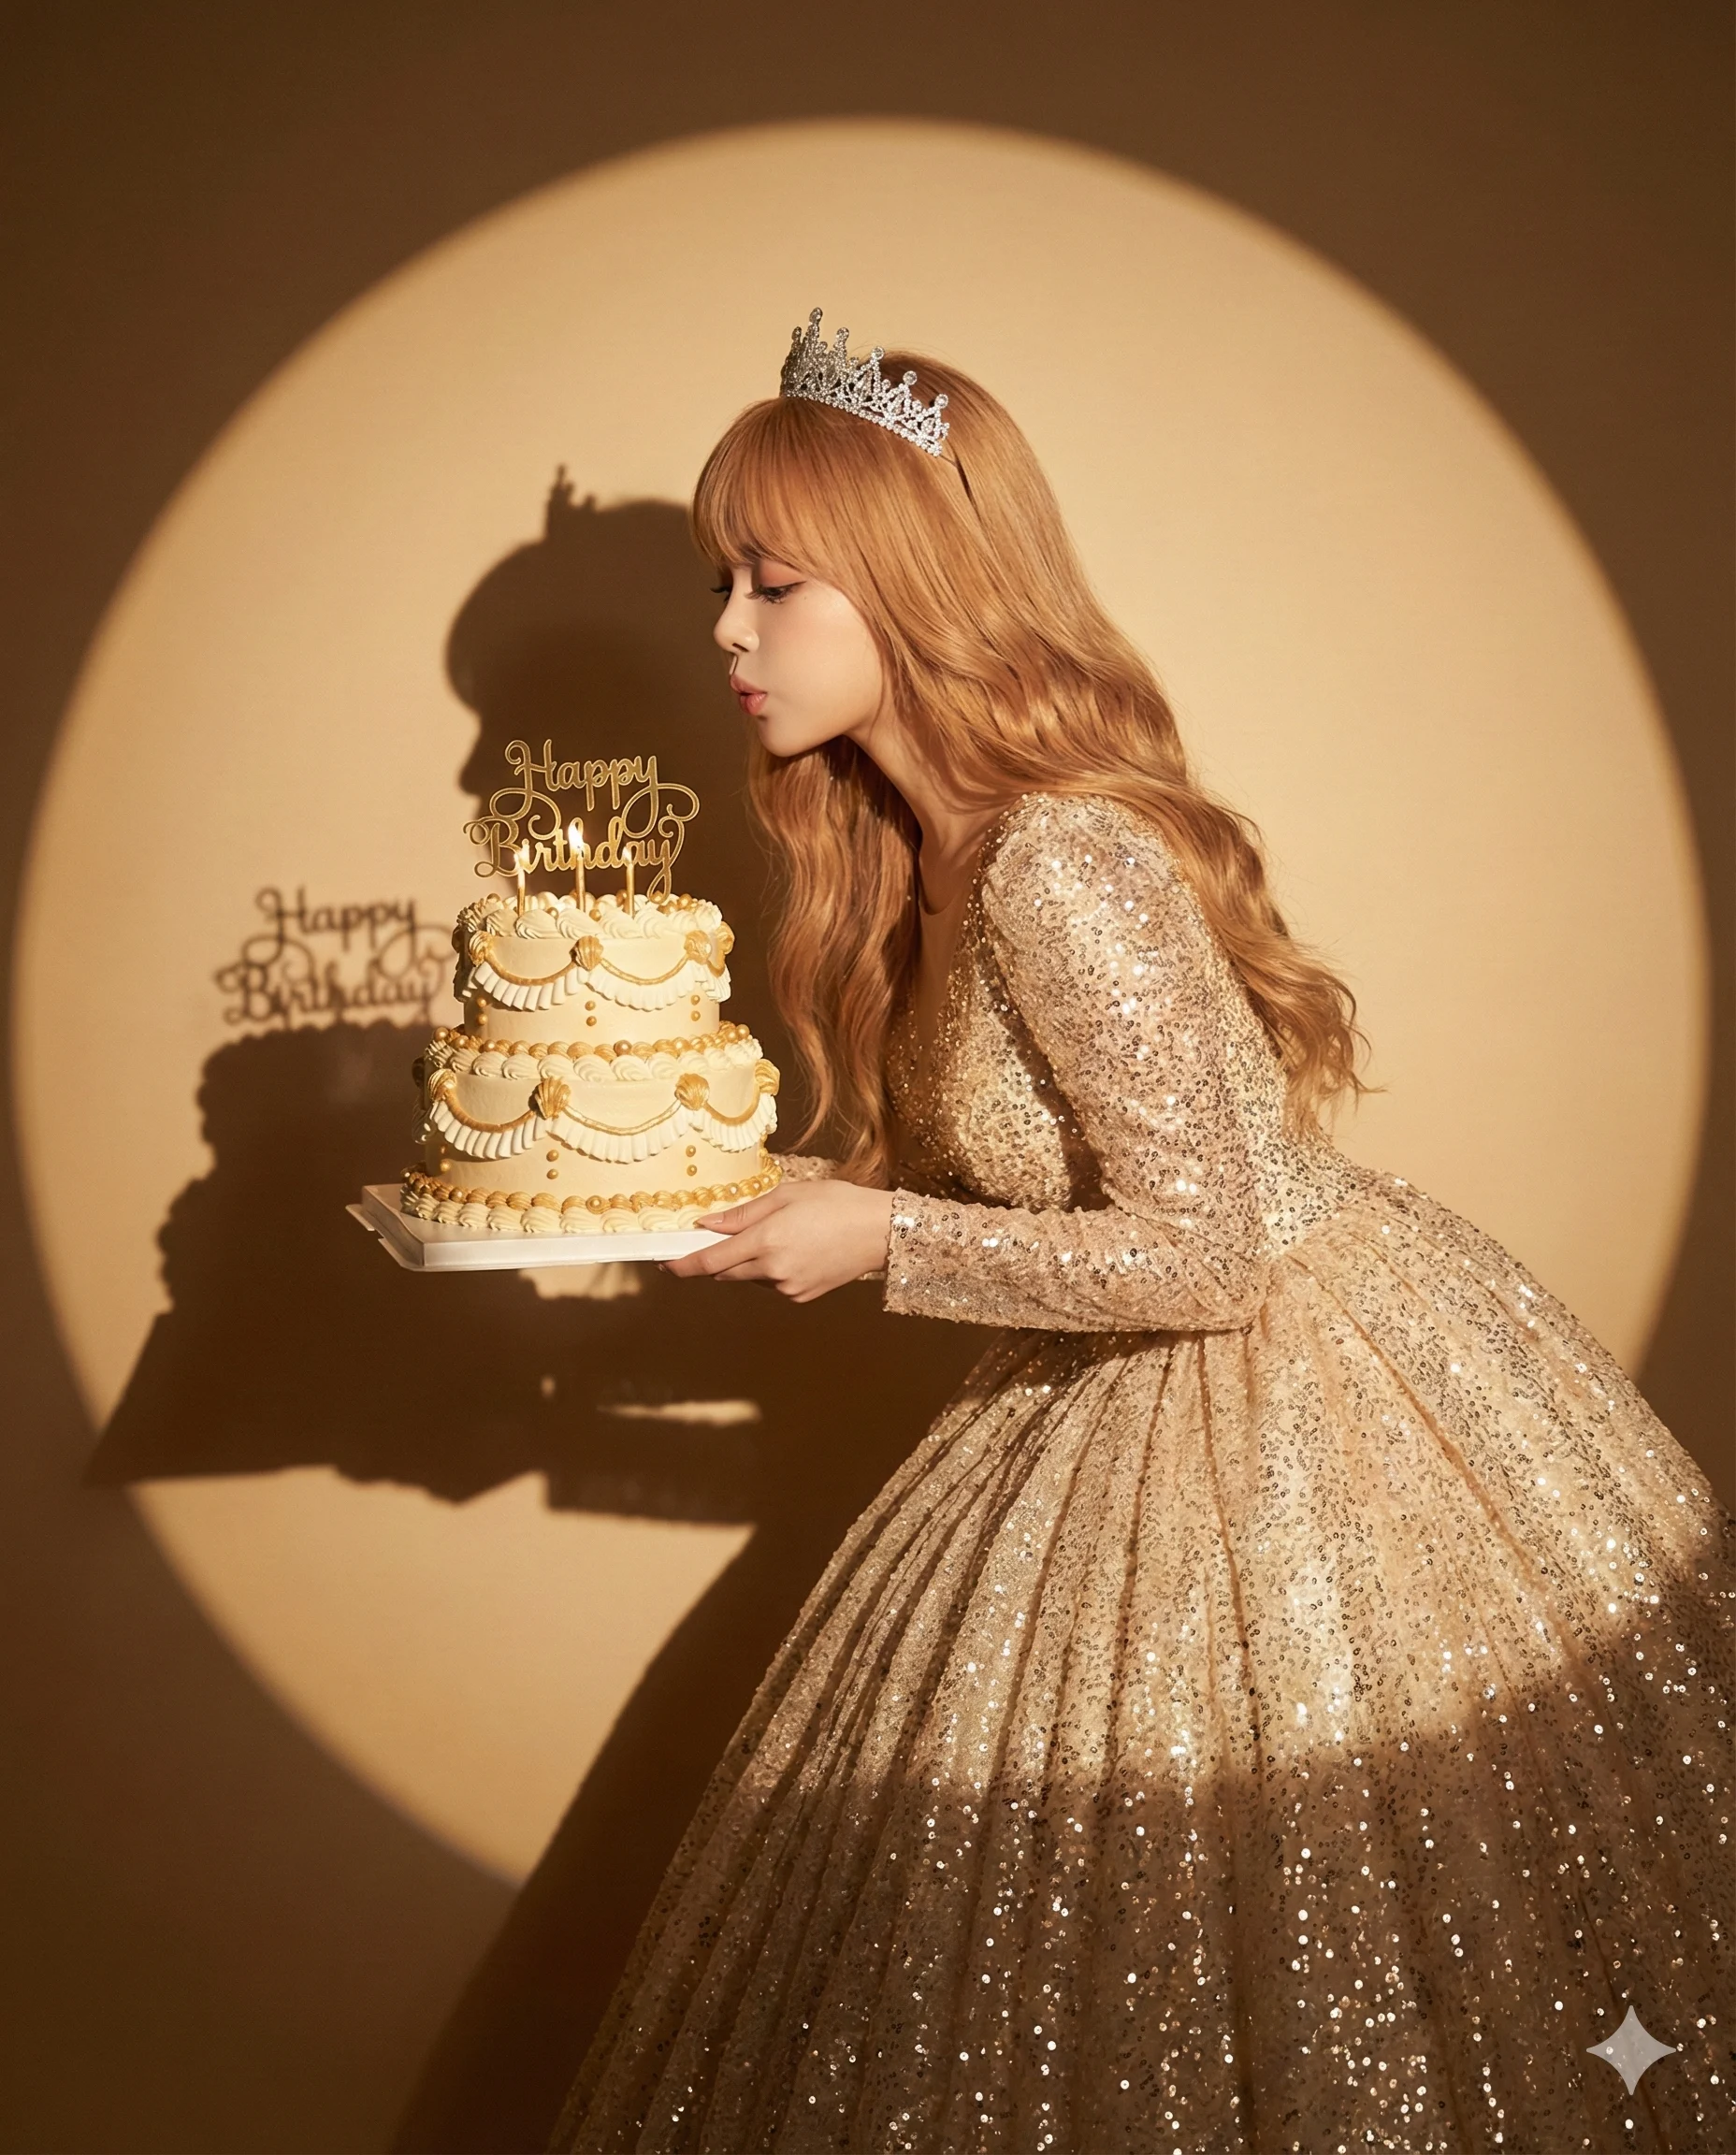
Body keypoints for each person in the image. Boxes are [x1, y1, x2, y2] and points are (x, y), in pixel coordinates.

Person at [550, 313, 1732, 2152]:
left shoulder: (1058, 863)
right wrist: (810, 1211)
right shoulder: (934, 860)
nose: (723, 629)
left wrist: (879, 1241)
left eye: (770, 584)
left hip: (1300, 1437)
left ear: (908, 587)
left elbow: (1215, 1252)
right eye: (727, 580)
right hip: (1099, 1415)